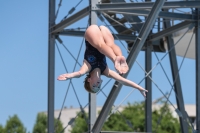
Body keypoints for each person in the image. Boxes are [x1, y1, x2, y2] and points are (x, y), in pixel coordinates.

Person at [57, 25, 147, 97]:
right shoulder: (106, 71)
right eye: (98, 87)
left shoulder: (87, 67)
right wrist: (139, 88)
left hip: (92, 34)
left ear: (89, 79)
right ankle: (119, 57)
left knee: (100, 46)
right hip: (104, 33)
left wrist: (70, 76)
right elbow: (122, 80)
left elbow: (79, 73)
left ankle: (115, 59)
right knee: (110, 45)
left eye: (94, 85)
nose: (97, 85)